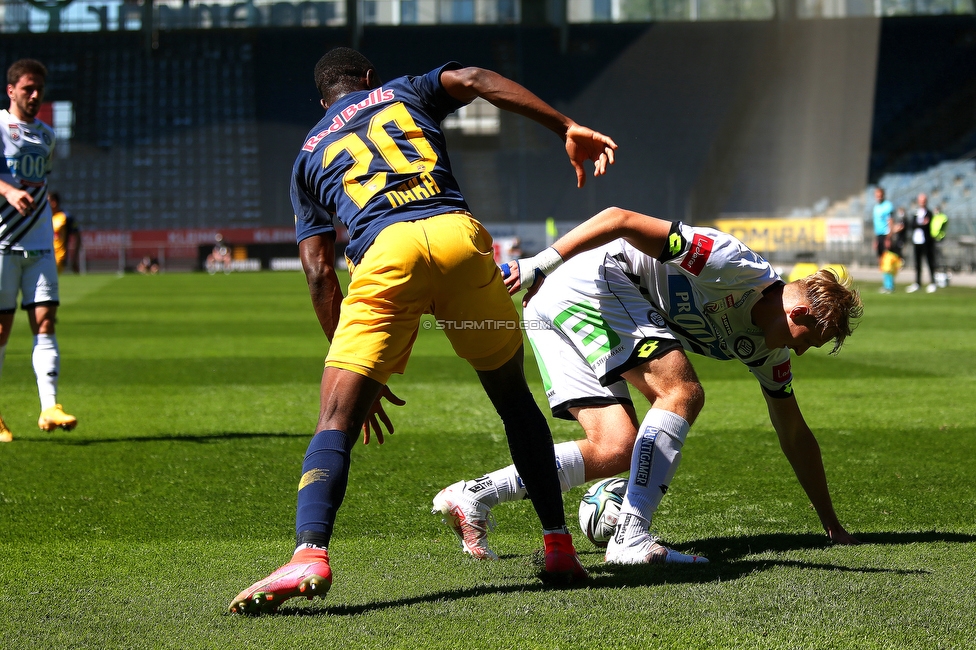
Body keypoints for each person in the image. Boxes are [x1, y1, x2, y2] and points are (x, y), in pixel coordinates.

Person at [228, 47, 617, 614]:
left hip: (386, 254)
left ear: (322, 100)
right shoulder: (403, 92)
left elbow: (318, 273)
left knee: (335, 420)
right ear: (368, 80)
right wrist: (567, 125)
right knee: (513, 399)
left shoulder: (308, 153)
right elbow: (478, 77)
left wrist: (362, 368)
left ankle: (310, 553)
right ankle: (558, 545)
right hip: (458, 237)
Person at [434, 207, 863, 565]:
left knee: (615, 446)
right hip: (590, 280)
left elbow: (794, 433)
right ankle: (631, 537)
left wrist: (831, 524)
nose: (802, 353)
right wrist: (540, 263)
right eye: (809, 340)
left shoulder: (768, 352)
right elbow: (619, 218)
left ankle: (473, 496)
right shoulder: (730, 265)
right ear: (800, 313)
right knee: (681, 393)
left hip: (560, 304)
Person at [0, 59, 77, 444]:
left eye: (39, 90)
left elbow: (39, 182)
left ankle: (49, 406)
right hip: (2, 244)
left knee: (45, 322)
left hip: (39, 243)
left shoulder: (47, 135)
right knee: (0, 330)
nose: (34, 95)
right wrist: (9, 191)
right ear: (11, 89)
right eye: (27, 88)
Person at [907, 193, 937, 293]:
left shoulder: (929, 213)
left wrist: (920, 224)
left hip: (926, 241)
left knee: (929, 262)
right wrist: (921, 224)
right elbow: (912, 224)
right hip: (917, 241)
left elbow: (927, 225)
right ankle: (917, 283)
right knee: (917, 263)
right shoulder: (916, 212)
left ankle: (932, 282)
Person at [48, 191, 80, 274]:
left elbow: (77, 237)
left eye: (47, 201)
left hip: (59, 258)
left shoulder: (65, 217)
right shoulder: (46, 218)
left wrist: (74, 259)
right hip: (44, 256)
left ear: (53, 203)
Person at [872, 187, 893, 268]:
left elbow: (890, 221)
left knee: (887, 261)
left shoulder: (888, 206)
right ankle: (885, 280)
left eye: (880, 195)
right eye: (877, 195)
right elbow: (876, 224)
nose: (878, 197)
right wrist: (876, 239)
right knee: (880, 261)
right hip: (879, 235)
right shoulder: (876, 207)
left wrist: (888, 238)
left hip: (886, 235)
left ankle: (889, 280)